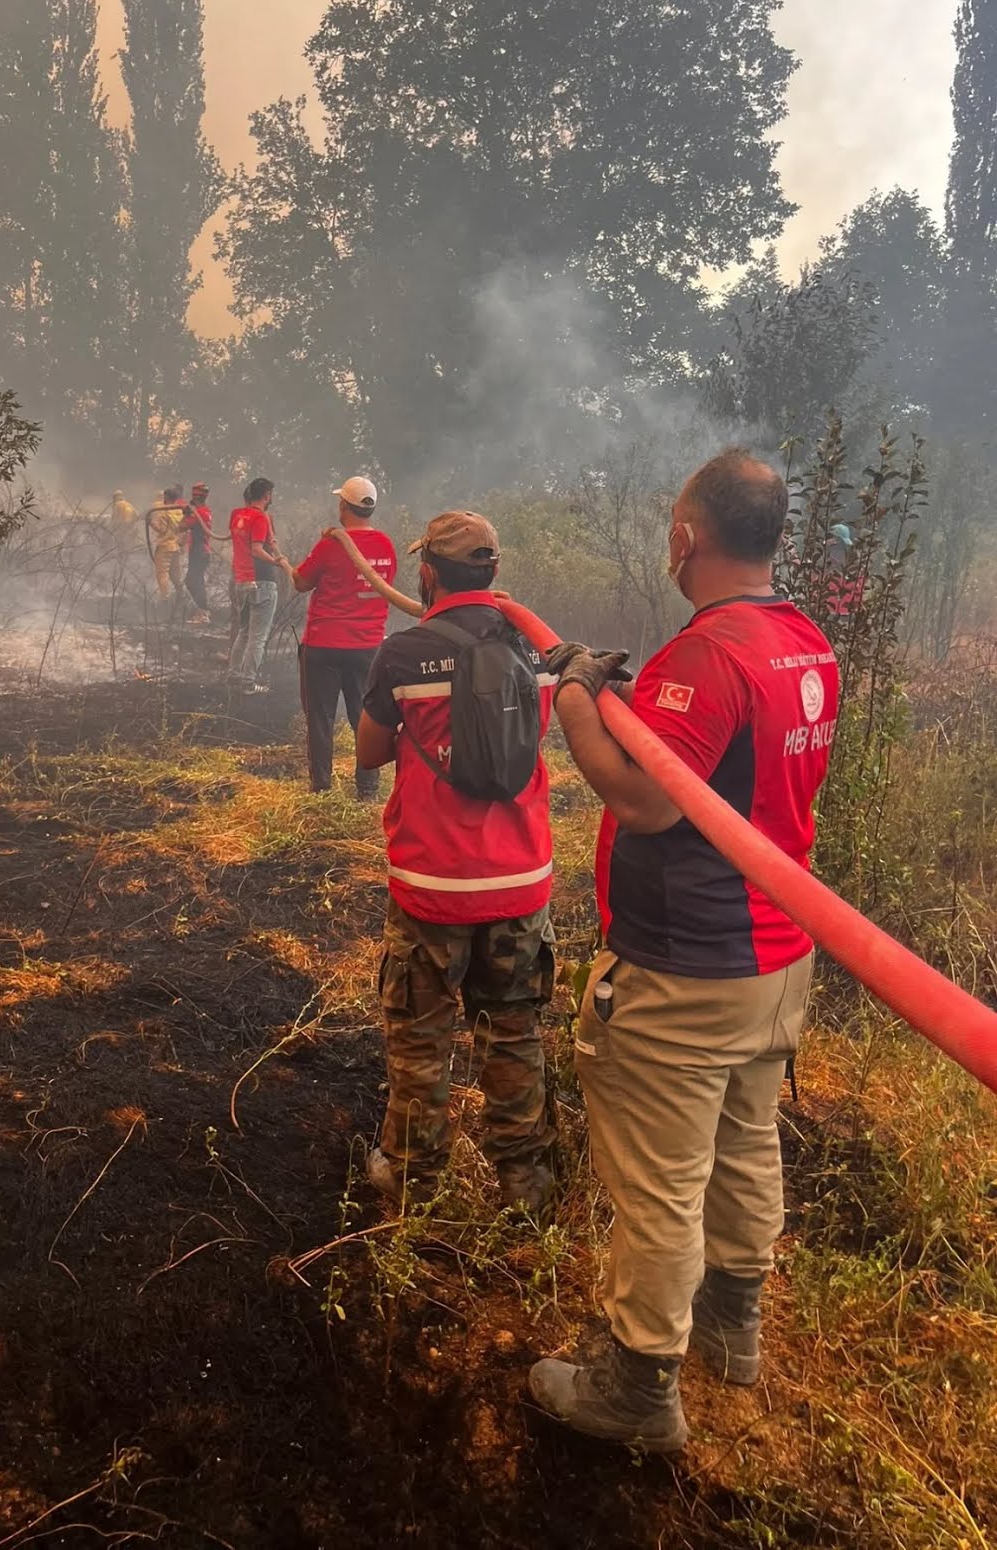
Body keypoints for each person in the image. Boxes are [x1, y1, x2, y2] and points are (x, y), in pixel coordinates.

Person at [528, 449, 839, 1454]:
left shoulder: (708, 655)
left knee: (658, 1181)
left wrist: (572, 699)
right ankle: (730, 1328)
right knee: (745, 1139)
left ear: (685, 537)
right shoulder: (803, 641)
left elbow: (645, 799)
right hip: (774, 960)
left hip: (684, 967)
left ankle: (637, 1385)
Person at [356, 511, 558, 1213]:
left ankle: (412, 1180)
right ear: (493, 570)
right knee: (513, 1033)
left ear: (427, 573)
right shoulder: (536, 648)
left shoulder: (402, 653)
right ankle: (526, 1187)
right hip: (520, 880)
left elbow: (369, 752)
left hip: (431, 884)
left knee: (420, 1037)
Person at [279, 475, 397, 800]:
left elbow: (301, 582)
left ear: (343, 505)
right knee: (366, 718)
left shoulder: (331, 544)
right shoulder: (386, 546)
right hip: (368, 648)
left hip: (323, 646)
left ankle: (321, 790)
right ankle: (368, 791)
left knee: (320, 718)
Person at [229, 477, 282, 694]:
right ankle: (248, 683)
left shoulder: (236, 514)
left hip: (241, 581)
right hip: (262, 583)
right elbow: (256, 549)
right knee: (257, 638)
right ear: (267, 495)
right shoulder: (260, 518)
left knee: (243, 632)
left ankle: (234, 675)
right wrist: (277, 562)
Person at [146, 485, 190, 613]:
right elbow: (184, 528)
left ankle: (164, 599)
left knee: (162, 573)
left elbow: (162, 530)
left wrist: (151, 523)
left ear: (167, 497)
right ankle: (182, 597)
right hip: (175, 547)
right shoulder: (179, 511)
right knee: (176, 576)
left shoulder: (163, 512)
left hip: (165, 547)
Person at [185, 482, 214, 623]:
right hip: (200, 550)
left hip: (199, 551)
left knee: (193, 581)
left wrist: (186, 514)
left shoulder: (199, 513)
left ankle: (203, 612)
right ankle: (202, 611)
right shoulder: (205, 511)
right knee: (195, 581)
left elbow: (181, 526)